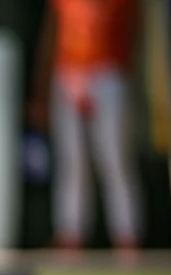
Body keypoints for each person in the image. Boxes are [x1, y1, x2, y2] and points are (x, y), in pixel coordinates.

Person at [29, 0, 142, 254]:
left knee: (114, 157)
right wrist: (42, 89)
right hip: (67, 70)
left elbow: (133, 33)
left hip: (109, 71)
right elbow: (51, 36)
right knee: (71, 161)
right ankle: (71, 234)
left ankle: (127, 236)